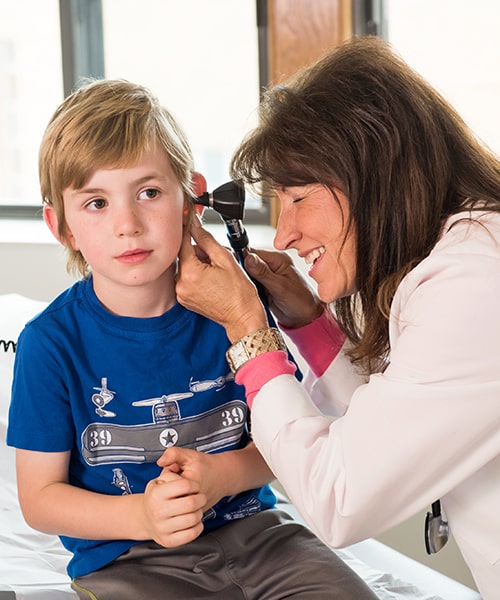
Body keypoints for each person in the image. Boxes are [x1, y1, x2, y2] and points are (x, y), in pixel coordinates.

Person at [6, 79, 379, 600]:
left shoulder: (236, 311)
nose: (128, 225)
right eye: (96, 203)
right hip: (128, 559)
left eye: (149, 193)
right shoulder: (50, 344)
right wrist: (142, 514)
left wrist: (225, 475)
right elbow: (40, 499)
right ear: (60, 225)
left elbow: (293, 438)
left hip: (259, 538)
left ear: (191, 199)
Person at [174, 35, 500, 599]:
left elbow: (339, 498)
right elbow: (385, 424)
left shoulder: (473, 285)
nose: (284, 234)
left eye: (298, 198)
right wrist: (304, 320)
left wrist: (248, 329)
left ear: (373, 174)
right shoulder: (466, 251)